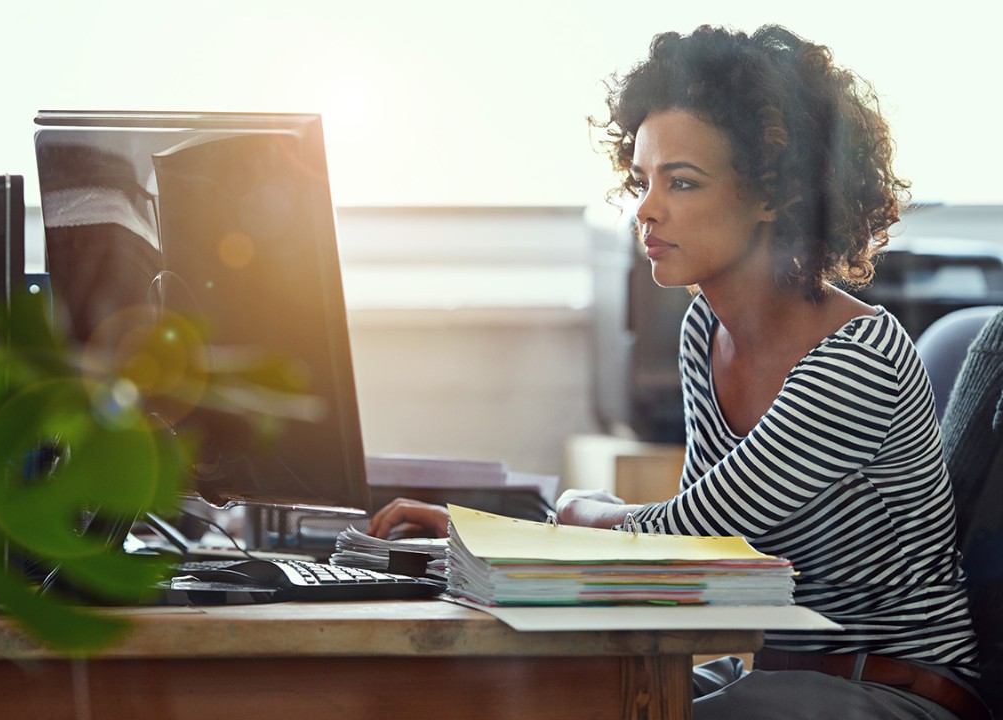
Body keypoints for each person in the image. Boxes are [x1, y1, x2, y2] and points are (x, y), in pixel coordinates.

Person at [367, 24, 987, 720]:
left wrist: (568, 516)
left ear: (773, 196)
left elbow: (693, 539)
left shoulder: (858, 357)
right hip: (770, 672)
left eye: (682, 182)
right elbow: (684, 553)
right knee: (551, 696)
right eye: (642, 181)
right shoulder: (706, 329)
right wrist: (479, 537)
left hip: (892, 691)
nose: (645, 210)